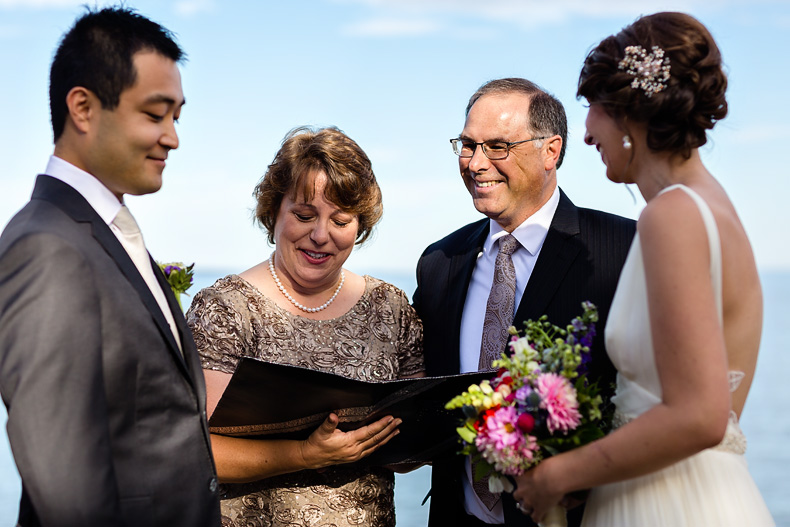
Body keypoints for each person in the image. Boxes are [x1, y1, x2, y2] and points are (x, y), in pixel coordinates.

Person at [511, 12, 775, 526]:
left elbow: (701, 417)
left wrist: (558, 475)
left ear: (629, 114)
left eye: (592, 108)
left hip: (667, 504)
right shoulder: (714, 207)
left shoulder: (671, 216)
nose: (586, 133)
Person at [0, 7, 221, 527]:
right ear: (83, 107)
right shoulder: (47, 249)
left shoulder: (107, 233)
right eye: (154, 114)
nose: (172, 137)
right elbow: (68, 488)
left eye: (176, 117)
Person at [414, 77, 635, 527]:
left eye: (497, 146)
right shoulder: (440, 262)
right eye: (468, 145)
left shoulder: (624, 247)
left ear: (551, 151)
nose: (476, 163)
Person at [186, 126, 425, 527]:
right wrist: (304, 454)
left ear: (360, 225)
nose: (320, 236)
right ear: (273, 211)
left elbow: (414, 448)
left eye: (341, 220)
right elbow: (196, 451)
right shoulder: (224, 309)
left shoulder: (392, 307)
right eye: (304, 215)